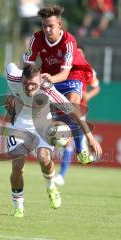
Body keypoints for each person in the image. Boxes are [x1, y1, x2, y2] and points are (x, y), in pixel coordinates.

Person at [5, 63, 102, 217]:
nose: (29, 88)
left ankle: (51, 186)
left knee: (44, 158)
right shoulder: (12, 76)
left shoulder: (48, 89)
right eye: (26, 83)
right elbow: (11, 64)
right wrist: (10, 102)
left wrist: (90, 138)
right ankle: (18, 206)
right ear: (21, 78)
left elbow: (74, 113)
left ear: (40, 79)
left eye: (33, 84)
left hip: (43, 125)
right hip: (21, 126)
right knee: (17, 167)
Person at [23, 5, 96, 164]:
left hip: (72, 74)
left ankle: (81, 149)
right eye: (44, 26)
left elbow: (64, 74)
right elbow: (28, 67)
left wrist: (50, 79)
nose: (47, 30)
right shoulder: (36, 39)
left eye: (51, 26)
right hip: (48, 75)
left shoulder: (68, 41)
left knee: (73, 105)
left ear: (60, 25)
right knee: (53, 114)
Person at [55, 46, 101, 186]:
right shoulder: (64, 70)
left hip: (79, 110)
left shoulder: (88, 70)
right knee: (67, 142)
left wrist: (88, 94)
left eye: (79, 54)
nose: (77, 56)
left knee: (74, 145)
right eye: (75, 54)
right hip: (62, 108)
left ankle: (82, 150)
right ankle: (62, 174)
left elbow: (97, 87)